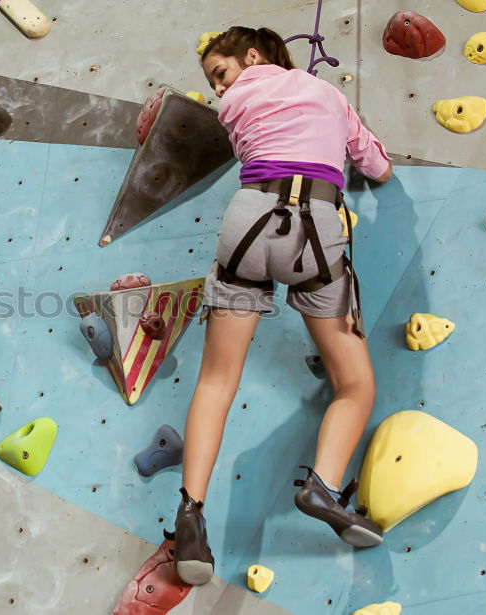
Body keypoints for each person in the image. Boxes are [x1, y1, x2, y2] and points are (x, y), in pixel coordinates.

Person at [168, 26, 393, 586]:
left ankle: (190, 516)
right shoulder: (328, 95)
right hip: (315, 227)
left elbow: (252, 116)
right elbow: (376, 165)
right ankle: (322, 484)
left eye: (221, 74)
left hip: (246, 225)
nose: (220, 91)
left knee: (217, 382)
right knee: (356, 385)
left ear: (251, 57)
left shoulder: (234, 108)